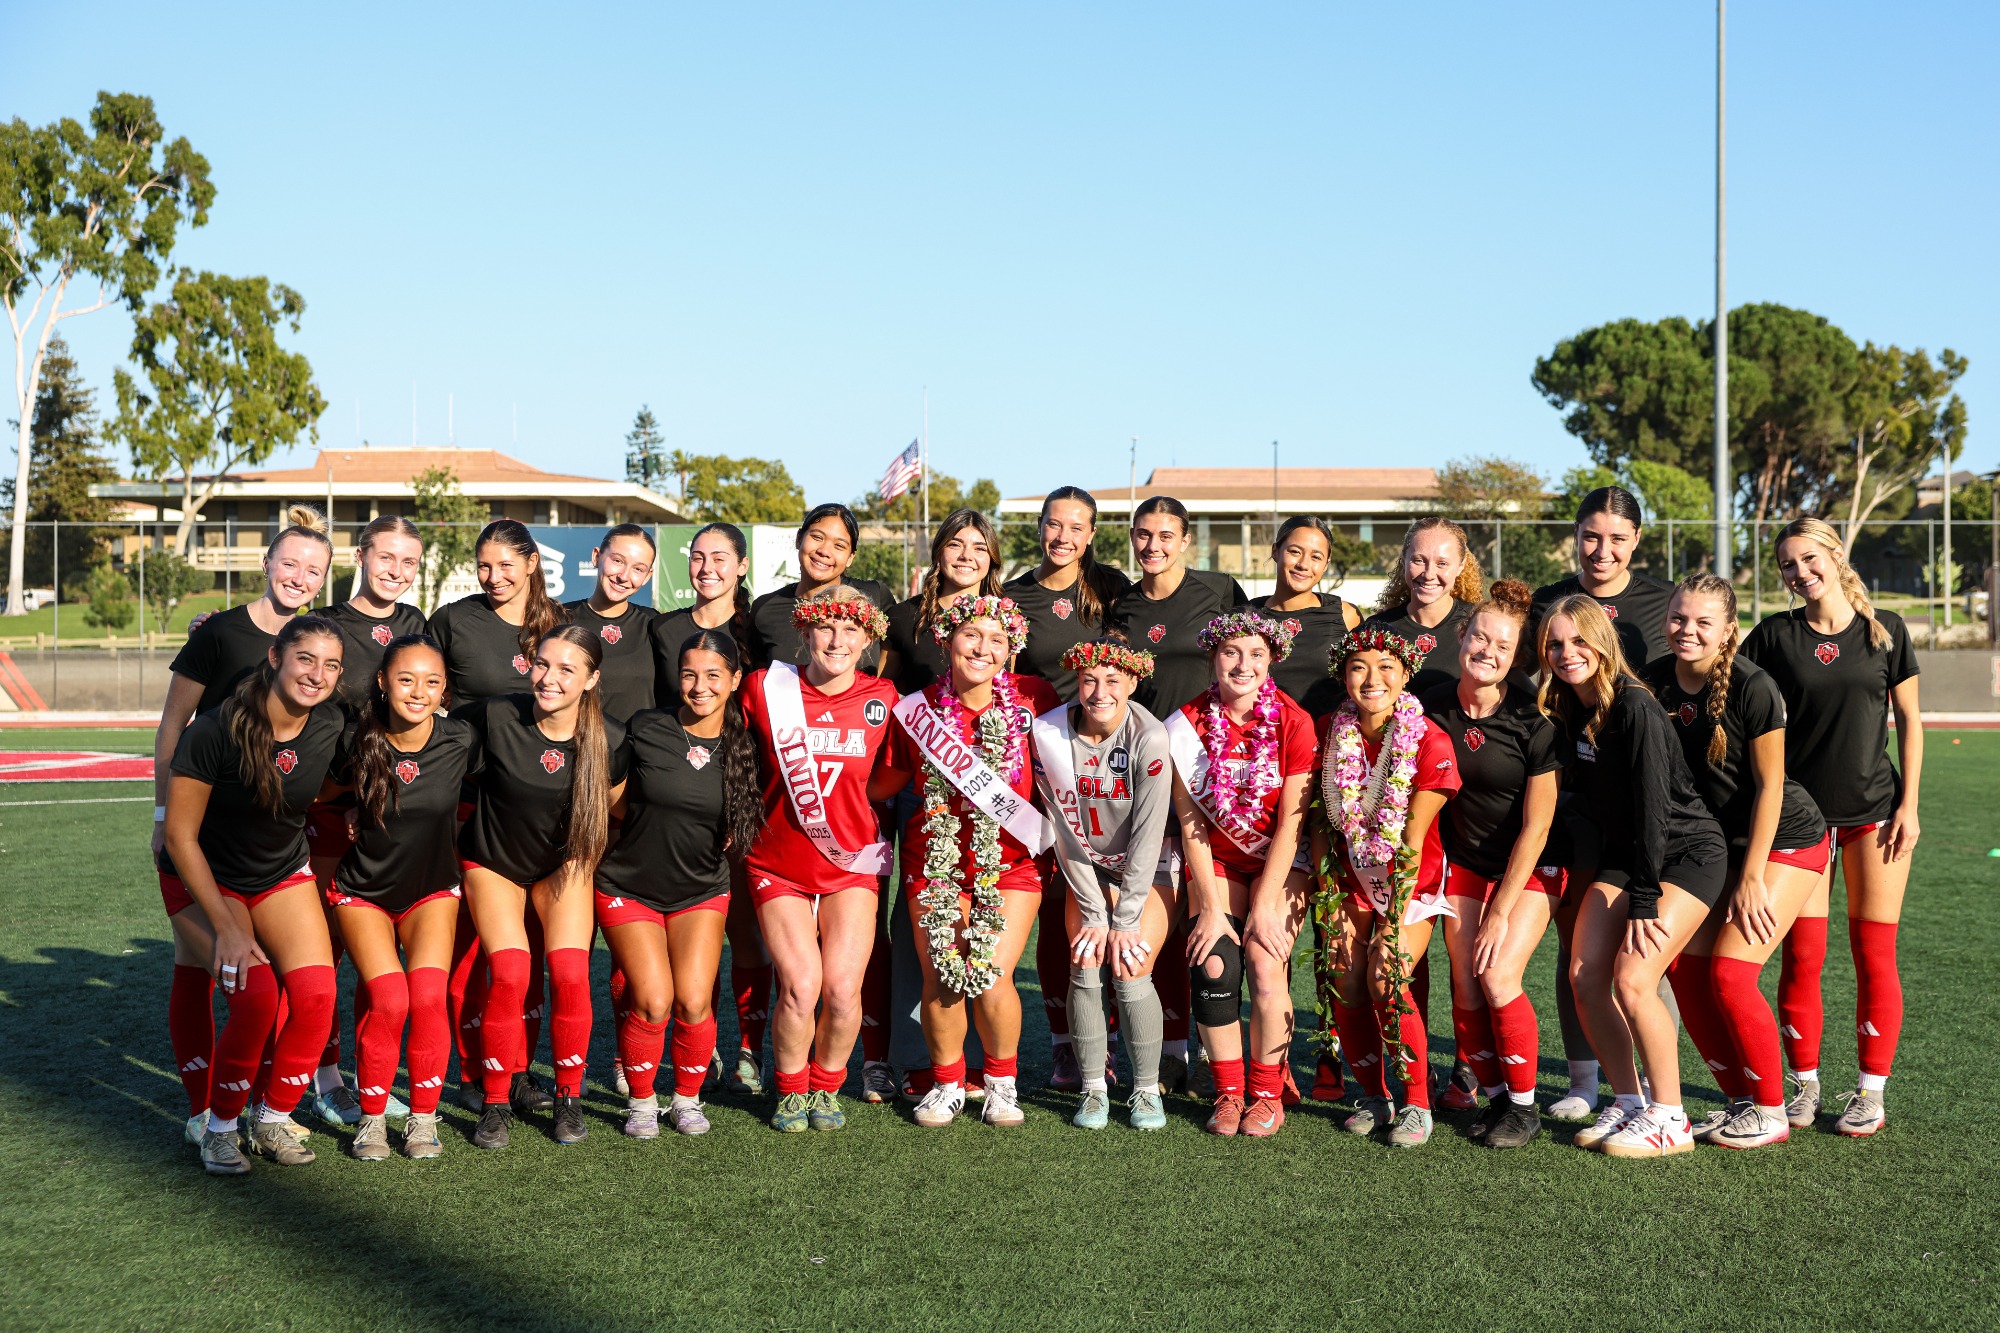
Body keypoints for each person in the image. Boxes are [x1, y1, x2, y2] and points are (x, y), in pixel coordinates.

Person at [154, 507, 334, 1155]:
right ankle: (207, 1113)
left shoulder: (324, 643)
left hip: (272, 847)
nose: (298, 577)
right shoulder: (221, 634)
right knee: (211, 974)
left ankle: (264, 1109)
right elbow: (173, 724)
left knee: (291, 990)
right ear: (266, 564)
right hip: (206, 835)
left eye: (313, 570)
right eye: (289, 563)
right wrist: (162, 815)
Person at [1741, 517, 1922, 1137]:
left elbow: (1910, 721)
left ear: (1835, 555)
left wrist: (1910, 805)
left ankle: (1871, 1091)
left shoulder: (1887, 630)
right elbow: (1731, 693)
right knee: (1802, 957)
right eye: (1788, 565)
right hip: (1802, 823)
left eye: (1809, 558)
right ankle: (1805, 1084)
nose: (1800, 573)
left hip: (1876, 816)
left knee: (1874, 954)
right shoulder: (1774, 635)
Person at [1642, 574, 1829, 1150]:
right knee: (1685, 971)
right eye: (1678, 618)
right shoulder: (1652, 682)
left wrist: (1751, 879)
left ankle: (1771, 1112)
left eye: (1704, 622)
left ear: (1728, 631)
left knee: (1730, 973)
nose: (1687, 630)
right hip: (1717, 845)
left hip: (1785, 840)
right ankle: (1739, 1100)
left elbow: (1771, 786)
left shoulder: (1753, 686)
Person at [1540, 595, 1727, 1158]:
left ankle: (1670, 1117)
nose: (1567, 653)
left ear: (1603, 643)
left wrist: (1644, 899)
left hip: (1686, 852)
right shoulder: (1569, 707)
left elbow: (1654, 812)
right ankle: (1628, 1101)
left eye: (1579, 641)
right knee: (1583, 974)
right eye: (1555, 644)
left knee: (1634, 978)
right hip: (1629, 855)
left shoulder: (1635, 706)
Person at [738, 586, 906, 1132]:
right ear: (805, 631)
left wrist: (852, 808)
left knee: (841, 990)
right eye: (826, 628)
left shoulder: (885, 697)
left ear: (867, 639)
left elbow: (891, 776)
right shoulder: (765, 687)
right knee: (800, 986)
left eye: (851, 629)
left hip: (850, 864)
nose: (838, 640)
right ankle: (791, 1090)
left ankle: (826, 1086)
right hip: (778, 863)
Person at [888, 596, 1060, 1129]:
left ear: (1010, 650)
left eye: (996, 640)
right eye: (971, 636)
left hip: (1011, 865)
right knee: (943, 976)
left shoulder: (1035, 697)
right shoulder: (916, 710)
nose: (983, 649)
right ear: (947, 641)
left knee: (989, 974)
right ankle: (946, 1084)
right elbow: (882, 781)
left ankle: (1001, 1084)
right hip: (934, 865)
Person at [456, 625, 627, 1149]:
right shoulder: (493, 715)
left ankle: (569, 1098)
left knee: (571, 974)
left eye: (566, 669)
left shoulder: (611, 739)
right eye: (542, 664)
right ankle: (495, 1101)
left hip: (562, 865)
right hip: (493, 862)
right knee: (510, 973)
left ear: (591, 680)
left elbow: (617, 808)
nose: (549, 678)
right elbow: (429, 752)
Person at [1419, 580, 1571, 1149]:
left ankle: (1526, 1109)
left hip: (1530, 864)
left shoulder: (1535, 720)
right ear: (1462, 636)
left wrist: (1501, 911)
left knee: (1498, 973)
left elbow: (1538, 826)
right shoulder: (1430, 704)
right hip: (1464, 860)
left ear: (1516, 657)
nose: (1488, 651)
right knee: (1465, 977)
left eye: (1503, 646)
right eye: (1480, 637)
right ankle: (1496, 1095)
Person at [598, 629, 764, 1138]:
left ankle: (687, 1100)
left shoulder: (747, 745)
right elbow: (613, 801)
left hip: (701, 889)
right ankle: (642, 1103)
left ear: (734, 680)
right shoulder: (646, 726)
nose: (699, 686)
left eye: (713, 675)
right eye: (689, 674)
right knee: (653, 1000)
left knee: (693, 1001)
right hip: (630, 886)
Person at [1000, 487, 1138, 1093]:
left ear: (1092, 535)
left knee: (1111, 903)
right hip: (1041, 764)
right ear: (1040, 528)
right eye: (1054, 525)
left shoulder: (1111, 589)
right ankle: (1065, 1043)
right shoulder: (1013, 596)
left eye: (1076, 527)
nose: (1063, 537)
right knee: (1063, 909)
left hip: (1110, 762)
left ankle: (1111, 1041)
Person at [327, 634, 479, 1160]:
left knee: (429, 997)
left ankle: (422, 1118)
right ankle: (371, 1120)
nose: (419, 692)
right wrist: (348, 807)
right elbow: (315, 791)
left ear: (445, 689)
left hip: (431, 892)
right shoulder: (355, 738)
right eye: (406, 679)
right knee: (390, 999)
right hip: (363, 892)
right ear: (382, 682)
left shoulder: (461, 739)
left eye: (432, 682)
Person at [1314, 629, 1464, 1148]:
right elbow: (1321, 825)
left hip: (1411, 882)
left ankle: (1418, 1103)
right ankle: (1375, 1097)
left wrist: (1392, 920)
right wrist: (1330, 903)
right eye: (1359, 666)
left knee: (1386, 974)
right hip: (1350, 880)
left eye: (1386, 667)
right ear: (1343, 675)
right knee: (1344, 975)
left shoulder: (1429, 740)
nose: (1372, 679)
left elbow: (1413, 844)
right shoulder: (1329, 731)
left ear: (1405, 676)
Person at [1169, 610, 1315, 1137]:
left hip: (1281, 862)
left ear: (1272, 660)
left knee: (1265, 960)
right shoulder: (1186, 723)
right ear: (1213, 657)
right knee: (1213, 964)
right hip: (1218, 862)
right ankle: (1229, 1092)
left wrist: (1264, 906)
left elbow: (1292, 825)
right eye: (1231, 652)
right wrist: (1211, 908)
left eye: (1256, 654)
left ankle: (1268, 1093)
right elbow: (1191, 826)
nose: (1243, 664)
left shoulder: (1294, 721)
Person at [878, 510, 1005, 1103]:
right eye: (956, 544)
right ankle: (917, 1057)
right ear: (938, 551)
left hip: (992, 791)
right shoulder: (908, 617)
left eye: (979, 547)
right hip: (922, 783)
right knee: (924, 925)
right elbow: (885, 691)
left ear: (992, 558)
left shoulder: (1006, 616)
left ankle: (974, 1059)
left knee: (985, 919)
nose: (967, 556)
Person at [307, 514, 429, 1125]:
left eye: (409, 562)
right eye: (386, 557)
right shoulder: (327, 623)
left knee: (376, 959)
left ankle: (366, 1074)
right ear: (360, 556)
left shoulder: (415, 623)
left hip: (391, 817)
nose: (396, 571)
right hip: (332, 808)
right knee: (324, 951)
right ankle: (323, 1076)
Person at [1031, 636, 1175, 1131]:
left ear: (1132, 681)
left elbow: (1149, 834)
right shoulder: (1050, 733)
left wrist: (1126, 918)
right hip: (1085, 867)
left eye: (1112, 680)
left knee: (1131, 964)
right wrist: (1096, 913)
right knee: (1086, 957)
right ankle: (1094, 1089)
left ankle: (1145, 1090)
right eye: (1089, 679)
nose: (1099, 692)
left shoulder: (1149, 736)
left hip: (1148, 867)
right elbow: (1064, 832)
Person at [648, 522, 769, 1098]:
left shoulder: (761, 627)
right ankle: (685, 1046)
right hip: (678, 795)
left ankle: (748, 1048)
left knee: (743, 930)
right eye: (697, 557)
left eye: (720, 557)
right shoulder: (664, 628)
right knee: (676, 930)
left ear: (742, 565)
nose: (707, 568)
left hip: (744, 790)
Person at [1107, 496, 1249, 719]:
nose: (1153, 546)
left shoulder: (1219, 589)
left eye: (1166, 537)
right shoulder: (1120, 604)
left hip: (1209, 733)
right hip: (1146, 735)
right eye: (1144, 534)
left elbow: (1251, 658)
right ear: (1132, 536)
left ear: (1184, 541)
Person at [428, 519, 570, 709]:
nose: (494, 578)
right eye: (484, 566)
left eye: (505, 565)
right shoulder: (452, 620)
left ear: (531, 562)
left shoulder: (563, 623)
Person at [1531, 485, 1677, 669]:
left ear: (1636, 538)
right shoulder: (1545, 603)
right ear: (1576, 534)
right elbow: (1515, 671)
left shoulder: (1669, 601)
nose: (1603, 552)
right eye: (1591, 537)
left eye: (1618, 539)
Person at [744, 503, 895, 674]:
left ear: (851, 557)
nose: (824, 551)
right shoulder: (765, 609)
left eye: (839, 546)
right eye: (817, 537)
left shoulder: (875, 597)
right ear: (799, 539)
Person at [1364, 516, 1482, 697]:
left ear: (1461, 566)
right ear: (1404, 559)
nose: (1429, 574)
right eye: (1419, 560)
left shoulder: (1480, 624)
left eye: (1442, 563)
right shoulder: (1376, 629)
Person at [1258, 516, 1362, 720]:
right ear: (1275, 551)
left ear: (1326, 564)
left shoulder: (1346, 615)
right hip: (1265, 736)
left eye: (1316, 557)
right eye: (1295, 552)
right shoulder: (1247, 617)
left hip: (1331, 737)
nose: (1304, 564)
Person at [563, 523, 660, 723]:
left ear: (647, 576)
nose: (624, 576)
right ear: (596, 557)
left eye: (638, 569)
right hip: (580, 741)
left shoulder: (654, 625)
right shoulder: (560, 619)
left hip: (641, 743)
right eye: (617, 561)